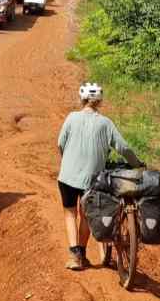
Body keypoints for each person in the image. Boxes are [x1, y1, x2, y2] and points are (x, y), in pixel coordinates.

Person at [57, 82, 143, 271]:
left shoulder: (71, 118)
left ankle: (75, 255)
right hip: (92, 179)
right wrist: (137, 164)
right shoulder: (106, 123)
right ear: (99, 101)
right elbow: (124, 148)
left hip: (67, 177)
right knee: (86, 214)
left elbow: (60, 143)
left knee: (70, 213)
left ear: (82, 99)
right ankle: (82, 251)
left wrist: (68, 162)